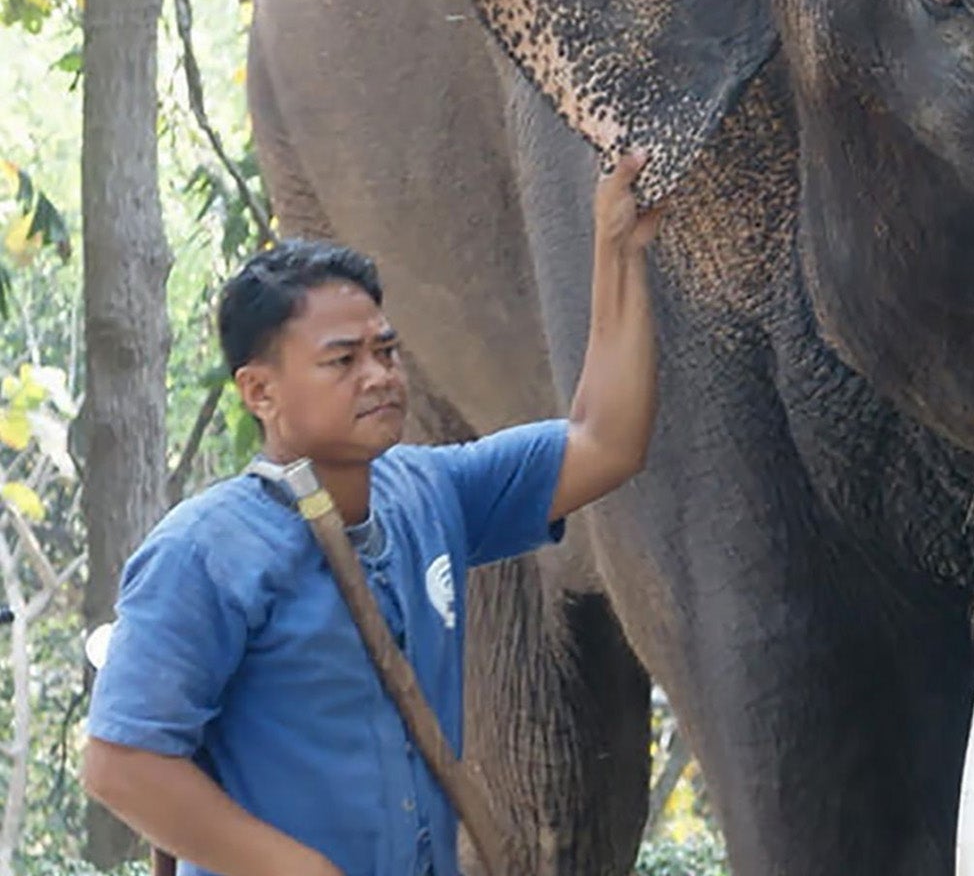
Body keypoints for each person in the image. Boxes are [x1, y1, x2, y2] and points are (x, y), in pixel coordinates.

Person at [81, 152, 665, 876]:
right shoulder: (205, 553)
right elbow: (120, 764)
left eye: (386, 351)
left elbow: (605, 443)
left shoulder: (430, 492)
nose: (381, 376)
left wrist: (618, 253)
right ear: (260, 392)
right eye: (343, 360)